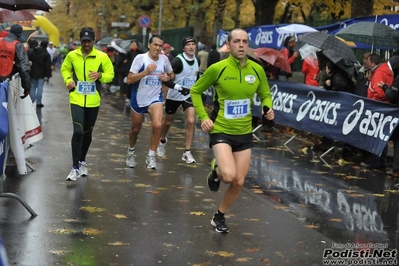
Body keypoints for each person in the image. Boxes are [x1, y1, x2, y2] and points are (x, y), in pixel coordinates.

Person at [190, 28, 274, 233]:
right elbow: (195, 91)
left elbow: (265, 94)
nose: (242, 45)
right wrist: (203, 117)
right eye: (237, 41)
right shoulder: (217, 69)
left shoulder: (256, 70)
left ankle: (219, 216)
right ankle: (216, 170)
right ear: (229, 45)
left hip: (244, 132)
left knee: (239, 181)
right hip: (221, 130)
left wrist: (268, 107)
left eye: (245, 41)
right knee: (228, 176)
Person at [61, 27, 114, 181]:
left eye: (89, 41)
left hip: (93, 100)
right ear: (80, 41)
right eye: (83, 41)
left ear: (93, 41)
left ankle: (82, 160)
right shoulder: (72, 55)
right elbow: (65, 70)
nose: (86, 43)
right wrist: (68, 80)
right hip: (76, 98)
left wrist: (100, 75)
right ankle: (74, 167)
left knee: (87, 133)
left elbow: (111, 75)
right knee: (77, 131)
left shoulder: (102, 57)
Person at [125, 35, 174, 169]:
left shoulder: (164, 59)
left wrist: (167, 77)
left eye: (160, 46)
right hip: (139, 99)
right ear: (149, 45)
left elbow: (172, 74)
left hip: (155, 98)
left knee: (158, 125)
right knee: (135, 129)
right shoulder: (140, 59)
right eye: (155, 45)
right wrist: (145, 72)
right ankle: (131, 151)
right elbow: (129, 79)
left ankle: (151, 156)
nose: (157, 48)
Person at [156, 36, 199, 163]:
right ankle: (162, 140)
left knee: (191, 121)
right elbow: (166, 78)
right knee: (168, 122)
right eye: (188, 45)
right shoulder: (177, 61)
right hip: (174, 95)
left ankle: (187, 151)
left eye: (193, 44)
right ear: (184, 48)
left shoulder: (197, 60)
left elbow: (197, 77)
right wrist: (175, 87)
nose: (191, 47)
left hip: (189, 95)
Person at [0, 24, 30, 99]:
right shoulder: (18, 45)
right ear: (19, 35)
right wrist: (26, 87)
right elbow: (24, 67)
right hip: (6, 80)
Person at [27, 39, 52, 108]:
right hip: (42, 73)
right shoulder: (46, 54)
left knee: (33, 87)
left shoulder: (33, 52)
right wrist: (47, 75)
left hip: (33, 72)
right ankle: (39, 102)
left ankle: (31, 101)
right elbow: (48, 65)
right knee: (40, 87)